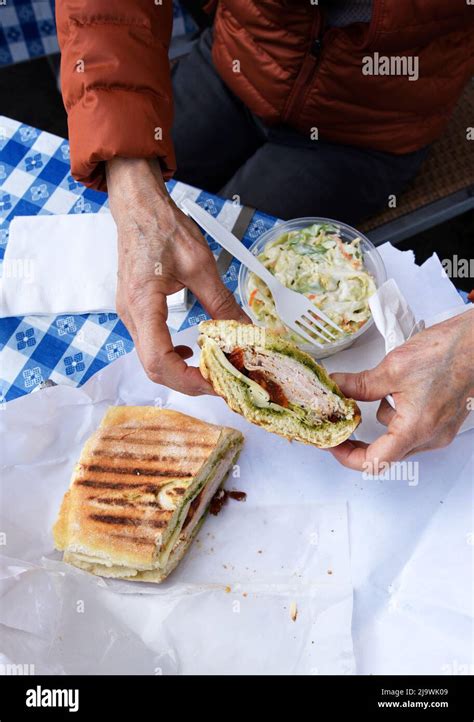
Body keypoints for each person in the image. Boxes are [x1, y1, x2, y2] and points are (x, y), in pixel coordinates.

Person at [55, 0, 474, 468]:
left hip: (375, 123)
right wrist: (134, 189)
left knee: (225, 237)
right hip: (239, 60)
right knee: (108, 205)